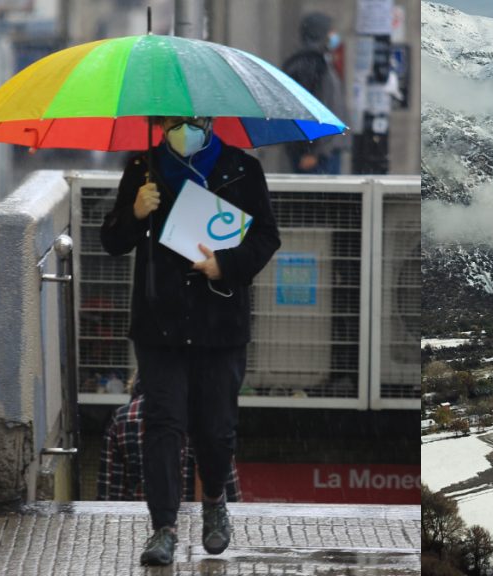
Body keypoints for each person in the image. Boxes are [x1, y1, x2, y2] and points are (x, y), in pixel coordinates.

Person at [100, 116, 280, 566]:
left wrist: (227, 264)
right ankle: (163, 526)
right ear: (159, 122)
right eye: (175, 119)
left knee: (216, 426)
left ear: (211, 120)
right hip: (158, 321)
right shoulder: (143, 168)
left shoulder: (242, 168)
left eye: (194, 118)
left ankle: (215, 501)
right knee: (163, 422)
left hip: (221, 321)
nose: (185, 127)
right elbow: (113, 240)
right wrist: (135, 212)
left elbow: (266, 237)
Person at [97, 376, 243, 503]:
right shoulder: (209, 417)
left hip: (138, 527)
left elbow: (109, 496)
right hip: (195, 528)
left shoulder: (122, 419)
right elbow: (231, 494)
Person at [282, 12, 348, 174]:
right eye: (329, 31)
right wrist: (310, 151)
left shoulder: (320, 60)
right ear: (320, 33)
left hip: (325, 149)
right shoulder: (310, 64)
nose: (333, 35)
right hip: (317, 154)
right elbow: (307, 109)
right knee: (320, 198)